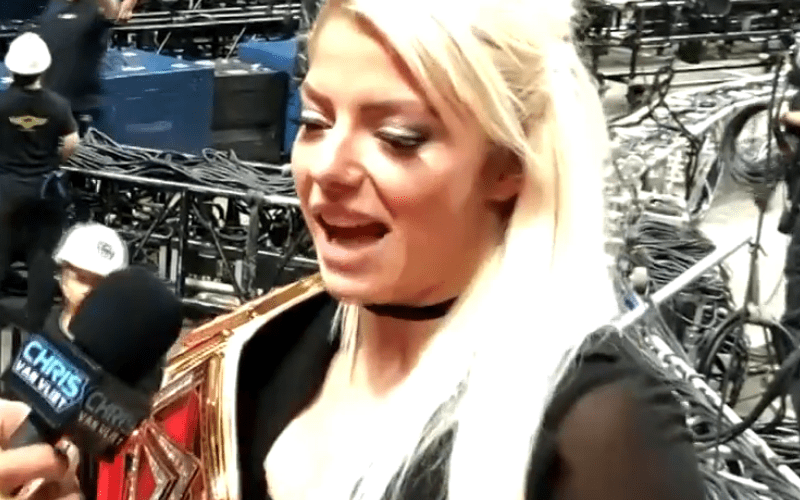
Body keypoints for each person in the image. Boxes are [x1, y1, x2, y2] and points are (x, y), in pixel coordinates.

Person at [91, 0, 703, 498]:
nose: (328, 168)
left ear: (509, 165)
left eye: (397, 138)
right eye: (315, 122)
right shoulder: (258, 354)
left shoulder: (601, 426)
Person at [0, 32, 79, 334]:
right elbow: (71, 142)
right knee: (42, 255)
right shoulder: (58, 105)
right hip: (44, 191)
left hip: (6, 191)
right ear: (44, 69)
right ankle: (36, 321)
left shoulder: (2, 104)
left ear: (11, 68)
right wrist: (53, 160)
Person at [35, 0, 134, 136]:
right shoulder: (53, 8)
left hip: (84, 109)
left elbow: (113, 14)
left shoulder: (94, 8)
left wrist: (128, 4)